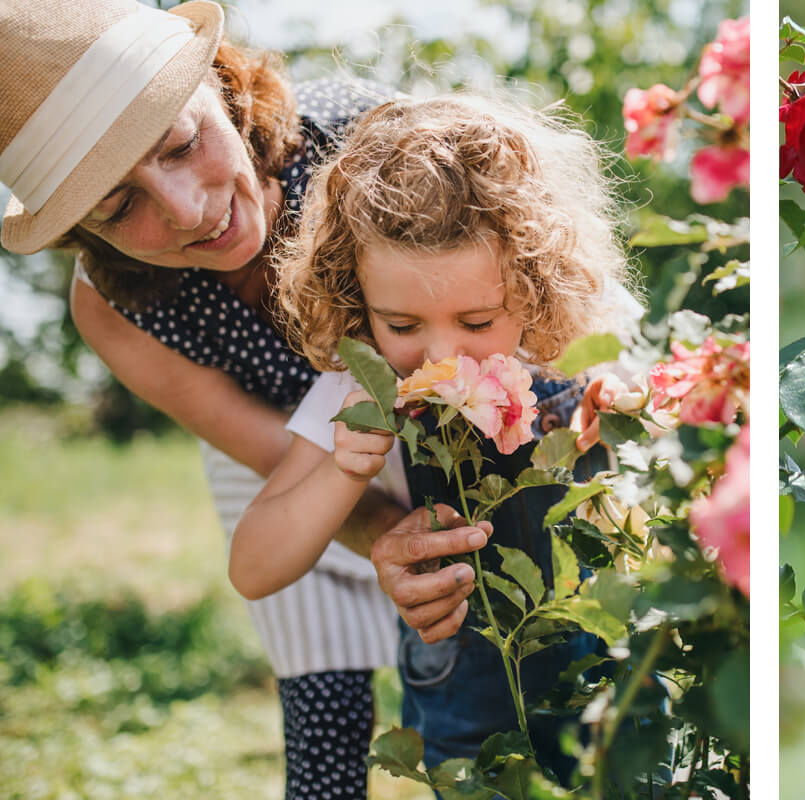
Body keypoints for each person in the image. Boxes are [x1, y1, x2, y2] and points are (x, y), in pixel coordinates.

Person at [0, 2, 486, 796]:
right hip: (279, 452)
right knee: (323, 708)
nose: (188, 209)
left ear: (223, 88)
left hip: (440, 408)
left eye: (185, 145)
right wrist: (383, 541)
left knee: (488, 663)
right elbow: (265, 452)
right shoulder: (115, 308)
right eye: (119, 207)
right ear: (79, 233)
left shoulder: (369, 145)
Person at [248, 92, 639, 779]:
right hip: (462, 682)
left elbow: (684, 433)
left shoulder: (574, 341)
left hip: (607, 663)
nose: (441, 356)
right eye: (402, 326)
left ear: (532, 280)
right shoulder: (361, 382)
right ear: (356, 300)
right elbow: (255, 565)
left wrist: (628, 407)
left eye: (479, 320)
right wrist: (343, 470)